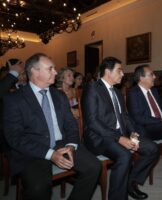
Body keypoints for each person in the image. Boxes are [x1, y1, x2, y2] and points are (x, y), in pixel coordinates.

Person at [3, 53, 100, 200]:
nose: (55, 72)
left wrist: (71, 145)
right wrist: (50, 154)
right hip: (33, 150)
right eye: (50, 69)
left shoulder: (59, 95)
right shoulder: (14, 99)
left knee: (94, 167)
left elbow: (71, 125)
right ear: (35, 72)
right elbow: (15, 138)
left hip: (62, 143)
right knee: (38, 188)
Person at [82, 57, 159, 200]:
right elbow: (92, 122)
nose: (123, 74)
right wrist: (119, 138)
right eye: (119, 70)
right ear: (107, 71)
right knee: (125, 155)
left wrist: (132, 132)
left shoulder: (117, 92)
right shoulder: (93, 88)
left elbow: (124, 116)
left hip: (119, 134)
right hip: (99, 137)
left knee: (152, 148)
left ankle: (130, 182)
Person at [0, 58, 24, 152]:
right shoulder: (6, 87)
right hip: (7, 135)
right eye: (20, 69)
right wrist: (13, 73)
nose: (22, 72)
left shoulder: (28, 86)